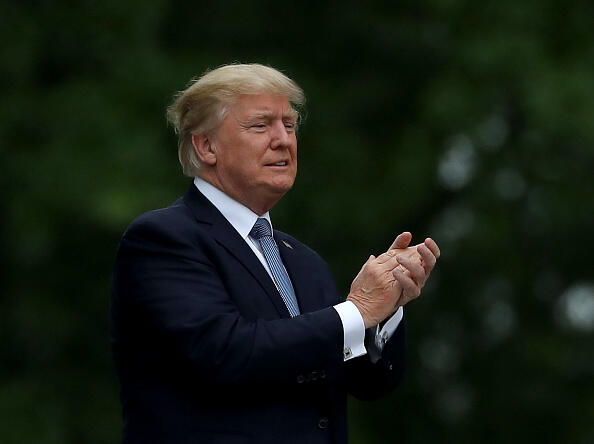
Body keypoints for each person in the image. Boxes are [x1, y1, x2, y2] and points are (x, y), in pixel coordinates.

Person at [110, 63, 440, 444]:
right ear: (206, 146)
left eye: (289, 124)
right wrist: (357, 310)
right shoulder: (163, 240)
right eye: (261, 125)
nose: (283, 139)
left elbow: (368, 384)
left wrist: (386, 307)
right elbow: (227, 353)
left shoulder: (304, 261)